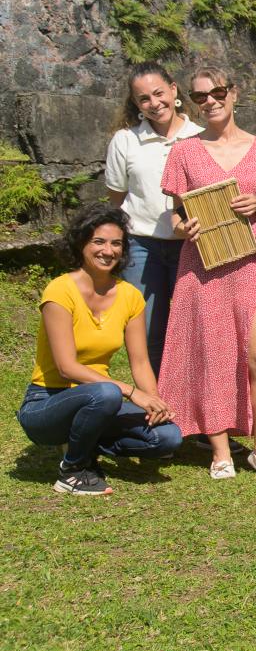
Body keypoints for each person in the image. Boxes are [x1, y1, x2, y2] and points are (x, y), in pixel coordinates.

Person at [157, 67, 256, 480]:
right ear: (192, 102)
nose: (211, 101)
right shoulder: (184, 151)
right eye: (201, 97)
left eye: (217, 92)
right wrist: (182, 228)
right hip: (202, 264)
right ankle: (220, 450)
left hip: (252, 262)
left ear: (234, 93)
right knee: (212, 356)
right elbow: (176, 215)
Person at [18, 205, 182, 496]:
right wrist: (130, 392)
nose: (108, 250)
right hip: (48, 401)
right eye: (99, 242)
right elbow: (67, 367)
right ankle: (73, 470)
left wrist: (154, 401)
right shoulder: (60, 290)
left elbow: (141, 362)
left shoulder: (130, 295)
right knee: (106, 392)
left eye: (116, 243)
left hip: (100, 401)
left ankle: (86, 440)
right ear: (81, 244)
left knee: (167, 437)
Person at [104, 62, 203, 373]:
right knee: (148, 331)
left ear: (173, 90)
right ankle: (156, 401)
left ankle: (192, 400)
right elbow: (117, 199)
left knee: (193, 329)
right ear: (136, 104)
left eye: (159, 93)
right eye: (144, 98)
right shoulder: (125, 141)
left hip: (192, 245)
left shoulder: (202, 138)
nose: (154, 103)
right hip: (142, 247)